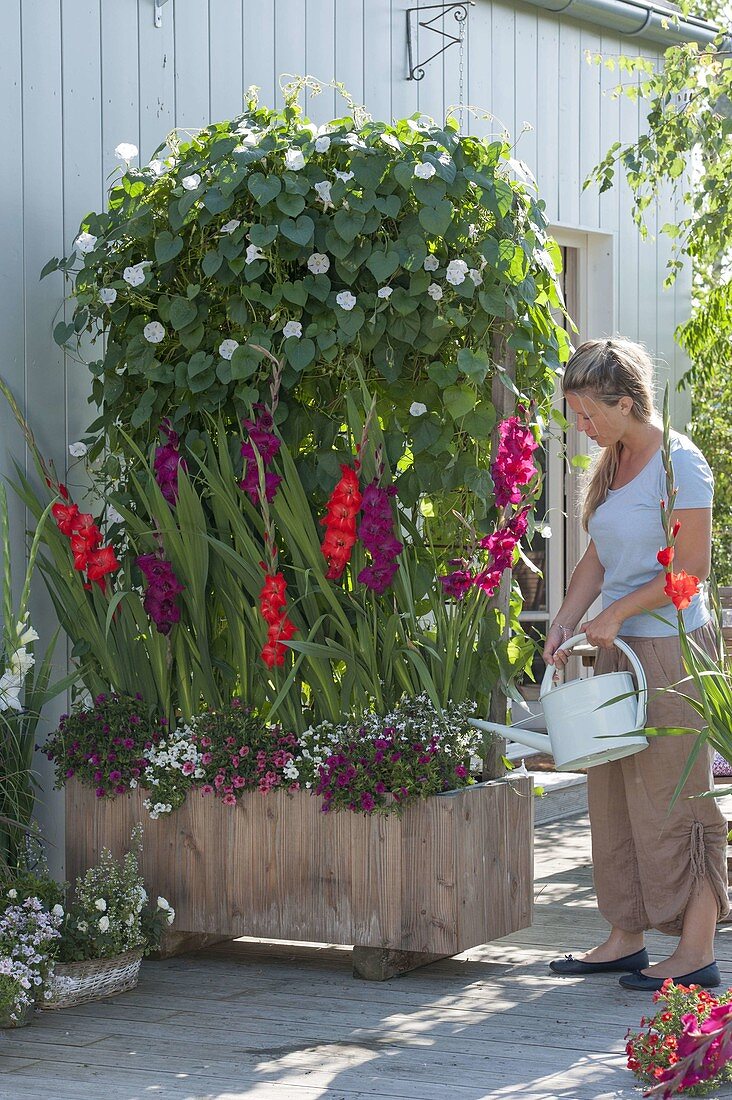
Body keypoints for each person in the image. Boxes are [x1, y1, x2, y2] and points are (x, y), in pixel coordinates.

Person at [543, 337, 729, 992]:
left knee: (678, 801)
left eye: (589, 414)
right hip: (617, 652)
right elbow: (598, 555)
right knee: (614, 796)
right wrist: (567, 618)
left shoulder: (681, 463)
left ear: (626, 401)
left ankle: (696, 949)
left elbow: (691, 569)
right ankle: (624, 936)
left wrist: (618, 615)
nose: (581, 428)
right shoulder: (615, 463)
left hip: (673, 651)